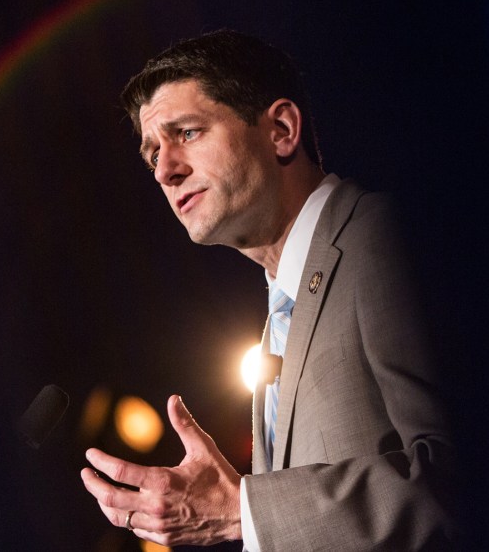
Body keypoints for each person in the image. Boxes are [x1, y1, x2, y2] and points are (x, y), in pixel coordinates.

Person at [80, 30, 458, 550]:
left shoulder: (380, 240)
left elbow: (467, 479)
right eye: (152, 156)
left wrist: (243, 510)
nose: (165, 170)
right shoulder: (279, 317)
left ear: (281, 129)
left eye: (186, 133)